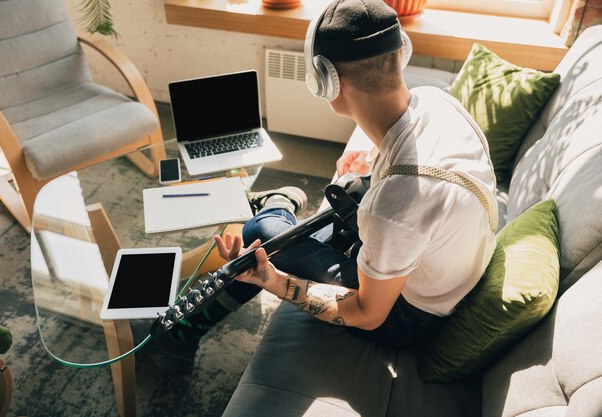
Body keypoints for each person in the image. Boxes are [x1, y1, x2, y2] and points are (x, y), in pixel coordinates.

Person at [148, 0, 498, 373]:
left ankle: (275, 209)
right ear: (402, 51)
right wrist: (373, 159)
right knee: (346, 192)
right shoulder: (436, 101)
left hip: (405, 316)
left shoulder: (395, 204)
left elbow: (367, 313)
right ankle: (189, 327)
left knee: (263, 232)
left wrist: (275, 281)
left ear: (326, 79)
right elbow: (418, 182)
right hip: (439, 265)